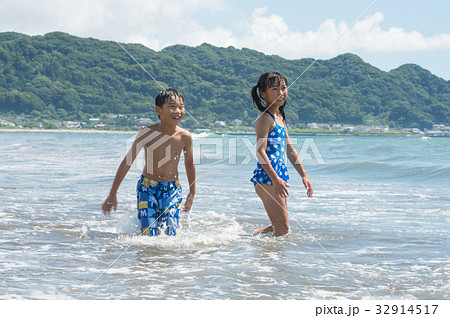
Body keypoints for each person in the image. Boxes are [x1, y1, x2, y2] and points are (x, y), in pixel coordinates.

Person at [102, 88, 196, 236]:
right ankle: (147, 259)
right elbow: (127, 162)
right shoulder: (147, 133)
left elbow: (189, 164)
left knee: (170, 234)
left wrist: (192, 192)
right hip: (147, 188)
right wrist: (113, 193)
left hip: (171, 189)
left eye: (181, 107)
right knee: (148, 234)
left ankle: (164, 260)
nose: (178, 110)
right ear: (158, 110)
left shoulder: (185, 136)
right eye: (172, 106)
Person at [250, 72, 313, 237]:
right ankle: (274, 260)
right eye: (275, 89)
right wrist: (275, 179)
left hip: (276, 176)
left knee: (278, 227)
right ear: (263, 93)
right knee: (283, 229)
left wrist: (304, 175)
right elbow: (260, 151)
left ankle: (248, 242)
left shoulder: (279, 118)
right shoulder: (265, 118)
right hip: (268, 177)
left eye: (284, 88)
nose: (281, 93)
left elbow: (290, 150)